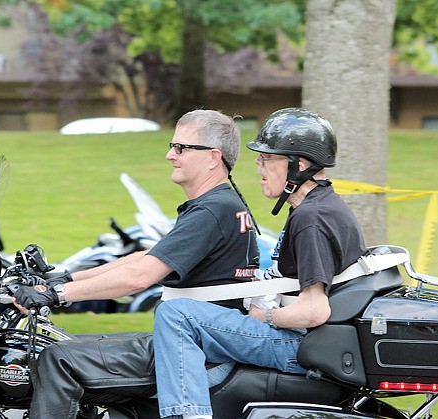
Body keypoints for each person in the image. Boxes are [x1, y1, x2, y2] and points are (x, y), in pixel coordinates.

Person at [12, 109, 261, 419]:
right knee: (68, 343)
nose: (171, 155)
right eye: (172, 146)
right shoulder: (218, 205)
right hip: (195, 342)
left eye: (181, 147)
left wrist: (57, 295)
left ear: (213, 157)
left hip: (190, 351)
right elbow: (146, 257)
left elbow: (140, 277)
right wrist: (63, 276)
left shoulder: (212, 210)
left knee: (57, 359)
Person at [152, 107, 368, 419]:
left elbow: (314, 310)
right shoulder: (319, 205)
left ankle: (187, 415)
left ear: (299, 165)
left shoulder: (312, 218)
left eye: (267, 158)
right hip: (307, 340)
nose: (257, 164)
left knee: (176, 314)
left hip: (297, 345)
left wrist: (262, 315)